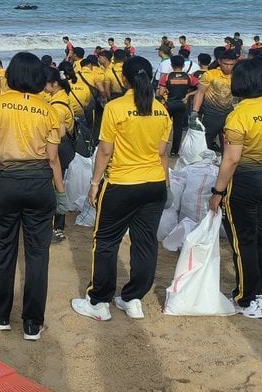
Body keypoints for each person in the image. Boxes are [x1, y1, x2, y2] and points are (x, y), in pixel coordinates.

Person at [71, 56, 171, 321]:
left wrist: (94, 184)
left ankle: (99, 301)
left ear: (123, 79)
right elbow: (163, 152)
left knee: (105, 242)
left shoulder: (116, 107)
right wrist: (167, 184)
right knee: (145, 243)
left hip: (122, 185)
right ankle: (133, 298)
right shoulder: (161, 109)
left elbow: (105, 150)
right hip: (154, 185)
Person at [0, 52, 63, 341]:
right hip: (39, 184)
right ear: (39, 77)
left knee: (2, 249)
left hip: (5, 183)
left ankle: (0, 314)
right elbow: (53, 159)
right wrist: (60, 192)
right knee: (38, 254)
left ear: (10, 75)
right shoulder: (49, 110)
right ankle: (32, 322)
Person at [208, 57, 262, 318]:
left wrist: (218, 192)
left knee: (244, 240)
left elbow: (230, 159)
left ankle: (245, 298)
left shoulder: (239, 115)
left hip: (245, 181)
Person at [43, 67, 75, 244]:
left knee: (57, 185)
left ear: (54, 84)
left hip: (59, 148)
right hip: (65, 148)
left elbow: (60, 132)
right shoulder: (62, 97)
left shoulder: (57, 106)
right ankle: (57, 225)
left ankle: (57, 227)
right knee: (59, 183)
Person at [191, 50, 238, 152]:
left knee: (228, 143)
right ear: (219, 61)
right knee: (206, 143)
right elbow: (200, 93)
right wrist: (195, 112)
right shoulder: (210, 74)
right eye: (226, 64)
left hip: (229, 112)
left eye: (231, 64)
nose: (228, 67)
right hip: (211, 113)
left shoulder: (237, 75)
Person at [158, 55, 198, 156]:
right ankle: (174, 151)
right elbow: (200, 88)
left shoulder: (166, 77)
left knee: (163, 127)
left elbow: (161, 93)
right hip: (182, 104)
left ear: (171, 65)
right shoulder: (189, 76)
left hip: (168, 105)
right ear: (183, 65)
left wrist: (165, 90)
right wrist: (188, 95)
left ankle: (160, 149)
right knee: (178, 128)